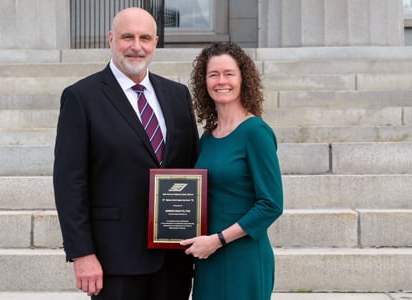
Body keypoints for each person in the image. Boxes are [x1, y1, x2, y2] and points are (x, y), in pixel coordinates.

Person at [53, 7, 199, 300]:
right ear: (111, 39)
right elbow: (70, 182)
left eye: (145, 37)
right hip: (114, 259)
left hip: (173, 257)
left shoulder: (177, 95)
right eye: (127, 37)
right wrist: (82, 253)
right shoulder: (82, 97)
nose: (136, 46)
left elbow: (191, 166)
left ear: (156, 42)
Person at [180, 42, 283, 300]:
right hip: (207, 256)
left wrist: (218, 240)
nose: (221, 81)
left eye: (229, 73)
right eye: (213, 74)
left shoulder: (256, 132)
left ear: (242, 79)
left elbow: (271, 204)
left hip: (242, 256)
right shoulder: (207, 138)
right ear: (204, 82)